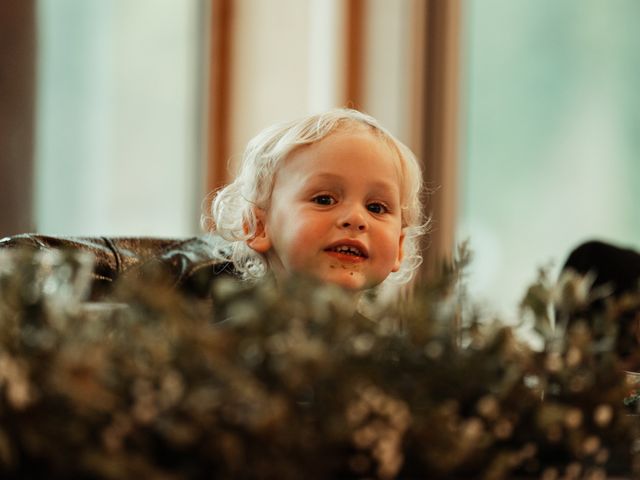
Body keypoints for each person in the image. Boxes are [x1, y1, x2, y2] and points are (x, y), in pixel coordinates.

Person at [203, 108, 428, 310]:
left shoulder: (398, 355)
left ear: (399, 247)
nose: (356, 218)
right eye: (324, 200)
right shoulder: (219, 351)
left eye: (376, 207)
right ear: (258, 227)